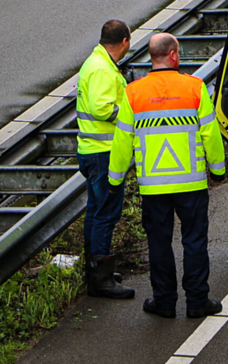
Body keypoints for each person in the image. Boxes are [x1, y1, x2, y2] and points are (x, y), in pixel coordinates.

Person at [109, 33, 226, 319]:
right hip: (191, 183)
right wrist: (218, 170)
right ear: (174, 55)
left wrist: (114, 179)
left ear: (152, 56)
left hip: (153, 186)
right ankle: (198, 301)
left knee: (159, 243)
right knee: (194, 241)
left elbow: (122, 141)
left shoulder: (133, 92)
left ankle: (164, 302)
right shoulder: (195, 88)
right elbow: (210, 133)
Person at [76, 20, 135, 300]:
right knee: (106, 214)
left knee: (96, 211)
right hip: (103, 153)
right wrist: (129, 115)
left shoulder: (97, 62)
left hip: (93, 150)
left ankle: (97, 270)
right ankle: (100, 279)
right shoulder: (101, 68)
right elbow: (102, 108)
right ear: (124, 41)